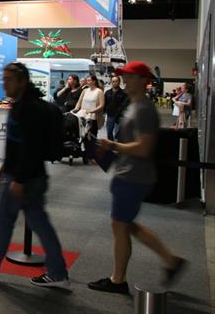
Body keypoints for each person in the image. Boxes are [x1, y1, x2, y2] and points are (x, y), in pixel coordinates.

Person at [0, 62, 70, 288]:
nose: (5, 83)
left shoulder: (27, 108)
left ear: (22, 81)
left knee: (4, 221)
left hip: (24, 178)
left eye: (9, 79)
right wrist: (6, 166)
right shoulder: (25, 104)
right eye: (4, 79)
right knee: (39, 223)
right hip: (30, 175)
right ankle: (58, 271)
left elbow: (29, 147)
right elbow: (17, 144)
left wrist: (18, 179)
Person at [89, 61, 187, 294]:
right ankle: (170, 261)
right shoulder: (134, 105)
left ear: (143, 80)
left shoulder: (143, 109)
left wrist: (113, 145)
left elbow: (144, 148)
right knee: (124, 224)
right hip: (128, 173)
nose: (124, 79)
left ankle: (118, 279)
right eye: (124, 75)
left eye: (130, 76)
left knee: (121, 225)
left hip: (133, 176)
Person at [73, 74, 105, 143]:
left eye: (89, 80)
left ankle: (92, 151)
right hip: (83, 117)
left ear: (94, 81)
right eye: (87, 80)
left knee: (92, 137)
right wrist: (75, 109)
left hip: (93, 118)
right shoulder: (85, 90)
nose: (87, 82)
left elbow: (101, 105)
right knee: (83, 135)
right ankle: (85, 151)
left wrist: (91, 111)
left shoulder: (99, 91)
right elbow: (79, 102)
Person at [104, 75, 128, 140]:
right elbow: (105, 103)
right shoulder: (107, 93)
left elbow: (125, 105)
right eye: (113, 81)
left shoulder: (123, 93)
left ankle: (116, 147)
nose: (115, 83)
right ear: (111, 82)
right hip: (110, 116)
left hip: (119, 116)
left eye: (116, 81)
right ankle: (111, 146)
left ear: (119, 82)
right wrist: (104, 113)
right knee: (109, 132)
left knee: (117, 134)